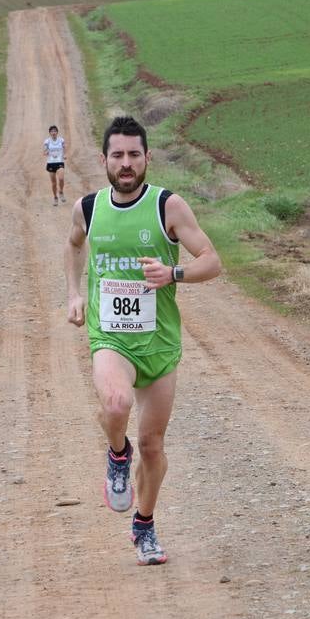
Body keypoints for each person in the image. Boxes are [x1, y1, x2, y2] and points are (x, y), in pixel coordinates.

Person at [64, 115, 221, 566]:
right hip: (110, 335)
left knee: (153, 447)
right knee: (115, 405)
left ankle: (145, 525)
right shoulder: (88, 208)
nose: (126, 163)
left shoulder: (168, 207)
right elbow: (74, 244)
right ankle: (117, 454)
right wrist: (74, 294)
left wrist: (174, 273)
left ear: (148, 158)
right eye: (118, 155)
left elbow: (212, 261)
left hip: (160, 343)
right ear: (105, 160)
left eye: (135, 155)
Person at [43, 125, 66, 205]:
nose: (53, 133)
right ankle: (55, 197)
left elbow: (64, 148)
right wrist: (45, 152)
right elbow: (45, 151)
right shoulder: (47, 141)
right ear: (50, 133)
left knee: (61, 178)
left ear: (57, 132)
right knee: (53, 183)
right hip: (51, 163)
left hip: (59, 162)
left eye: (55, 131)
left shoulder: (61, 140)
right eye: (52, 131)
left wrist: (64, 155)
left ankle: (61, 191)